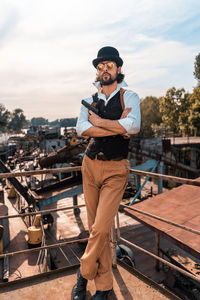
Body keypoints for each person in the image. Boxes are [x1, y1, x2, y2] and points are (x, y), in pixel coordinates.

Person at [73, 46, 141, 300]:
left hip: (115, 169)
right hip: (89, 165)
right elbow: (82, 129)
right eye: (100, 66)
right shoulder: (90, 99)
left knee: (101, 229)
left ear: (119, 69)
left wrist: (99, 123)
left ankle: (83, 274)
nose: (104, 70)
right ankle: (103, 288)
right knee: (94, 228)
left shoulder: (129, 96)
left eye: (109, 65)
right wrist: (116, 127)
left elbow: (133, 127)